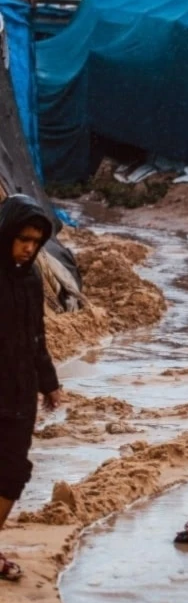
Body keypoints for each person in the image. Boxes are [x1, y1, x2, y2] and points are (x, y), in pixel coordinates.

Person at [0, 195, 62, 581]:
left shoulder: (33, 278)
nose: (28, 247)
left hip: (20, 393)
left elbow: (36, 334)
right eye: (22, 238)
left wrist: (49, 383)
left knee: (13, 472)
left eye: (36, 242)